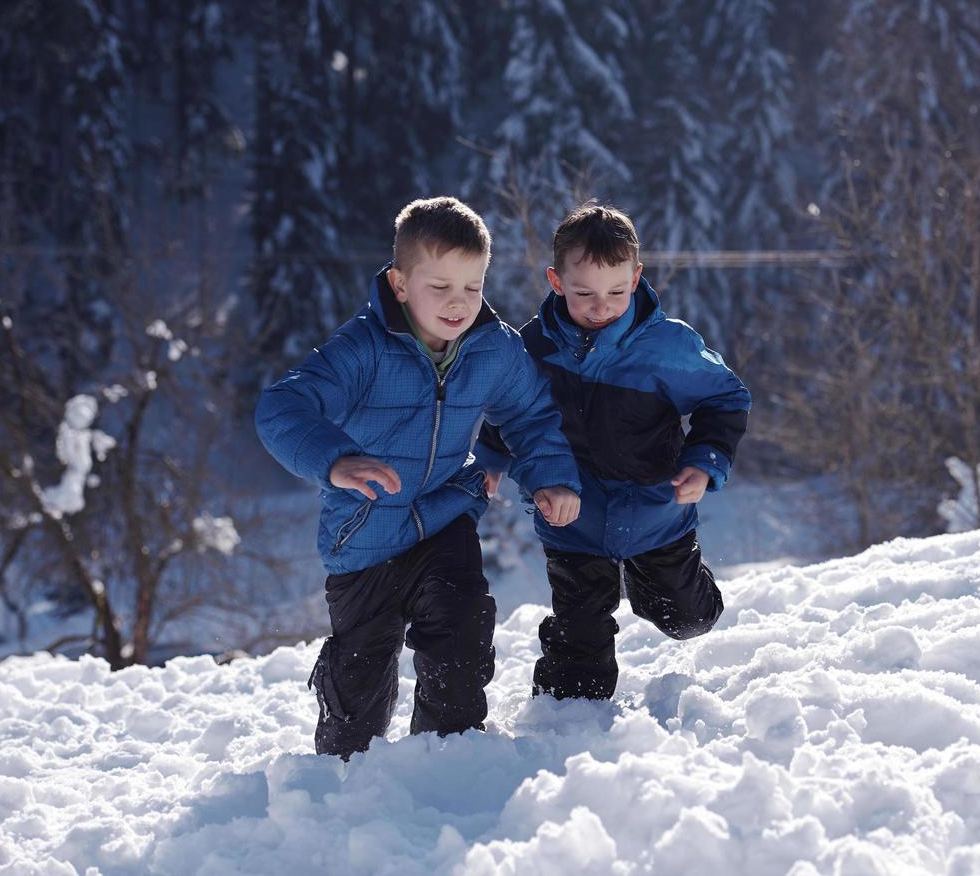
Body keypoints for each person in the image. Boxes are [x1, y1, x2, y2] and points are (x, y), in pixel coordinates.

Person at [256, 196, 581, 758]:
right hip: (364, 534)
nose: (459, 304)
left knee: (462, 630)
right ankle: (343, 771)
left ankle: (446, 755)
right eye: (440, 287)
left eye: (472, 287)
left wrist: (551, 477)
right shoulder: (364, 350)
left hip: (443, 515)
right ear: (400, 284)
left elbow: (529, 416)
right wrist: (336, 460)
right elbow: (282, 407)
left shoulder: (492, 348)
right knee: (360, 677)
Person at [475, 202, 750, 701]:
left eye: (616, 292)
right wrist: (491, 460)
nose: (600, 306)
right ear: (556, 281)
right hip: (571, 516)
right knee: (579, 629)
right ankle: (567, 717)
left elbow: (725, 398)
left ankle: (656, 587)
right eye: (584, 293)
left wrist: (704, 461)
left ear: (637, 277)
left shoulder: (667, 347)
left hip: (656, 513)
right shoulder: (533, 349)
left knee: (687, 619)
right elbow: (512, 410)